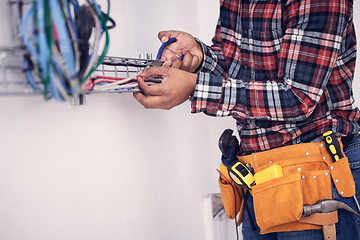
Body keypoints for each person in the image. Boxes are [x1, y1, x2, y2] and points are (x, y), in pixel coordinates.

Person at [133, 0, 360, 239]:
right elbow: (240, 72)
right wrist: (202, 57)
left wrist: (195, 87)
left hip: (317, 177)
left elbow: (298, 97)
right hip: (258, 177)